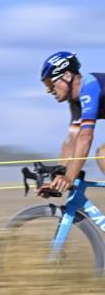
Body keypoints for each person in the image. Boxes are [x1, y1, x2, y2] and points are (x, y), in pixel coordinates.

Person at [38, 52, 105, 196]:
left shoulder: (89, 87)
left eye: (50, 83)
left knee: (103, 154)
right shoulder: (75, 102)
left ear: (67, 76)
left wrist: (70, 177)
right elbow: (72, 140)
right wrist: (59, 176)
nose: (48, 90)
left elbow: (86, 137)